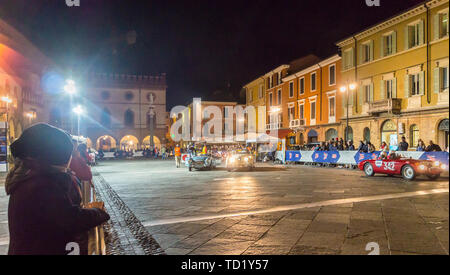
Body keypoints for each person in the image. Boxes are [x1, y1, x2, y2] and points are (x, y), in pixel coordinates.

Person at [5, 123, 109, 255]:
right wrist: (98, 212)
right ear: (57, 156)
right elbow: (71, 220)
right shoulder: (43, 185)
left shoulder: (29, 178)